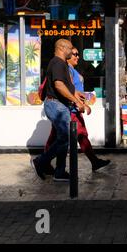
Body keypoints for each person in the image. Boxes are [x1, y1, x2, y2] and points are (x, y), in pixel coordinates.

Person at [44, 47, 110, 172]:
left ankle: (51, 165)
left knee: (58, 136)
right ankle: (45, 163)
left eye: (78, 54)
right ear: (68, 56)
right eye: (75, 54)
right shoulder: (66, 70)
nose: (77, 56)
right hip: (70, 110)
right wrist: (80, 104)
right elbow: (67, 90)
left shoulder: (71, 70)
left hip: (70, 109)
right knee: (79, 135)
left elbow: (74, 90)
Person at [31, 39, 85, 182]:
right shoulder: (58, 63)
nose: (71, 51)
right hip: (56, 105)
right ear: (61, 48)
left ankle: (59, 172)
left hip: (59, 105)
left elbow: (65, 86)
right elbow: (59, 86)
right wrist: (76, 101)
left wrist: (77, 94)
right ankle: (41, 161)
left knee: (63, 138)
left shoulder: (60, 64)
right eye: (69, 48)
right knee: (65, 137)